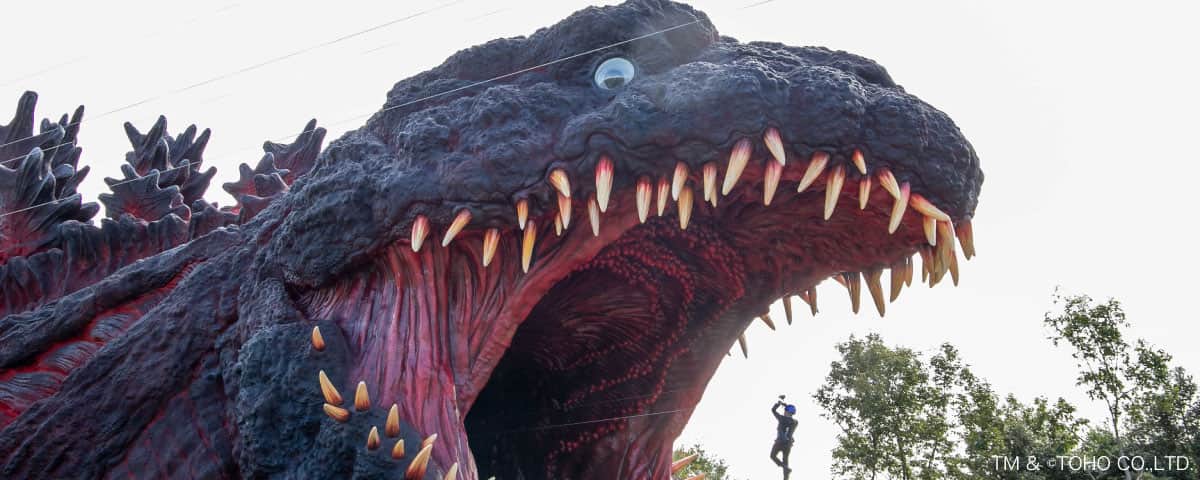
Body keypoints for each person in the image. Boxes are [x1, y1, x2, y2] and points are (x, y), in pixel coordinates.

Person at [770, 399, 798, 478]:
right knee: (785, 460)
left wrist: (779, 404)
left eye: (785, 411)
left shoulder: (781, 418)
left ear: (787, 412)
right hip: (788, 444)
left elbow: (773, 410)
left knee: (772, 456)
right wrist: (786, 406)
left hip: (779, 442)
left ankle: (785, 467)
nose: (784, 412)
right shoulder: (795, 422)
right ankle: (786, 477)